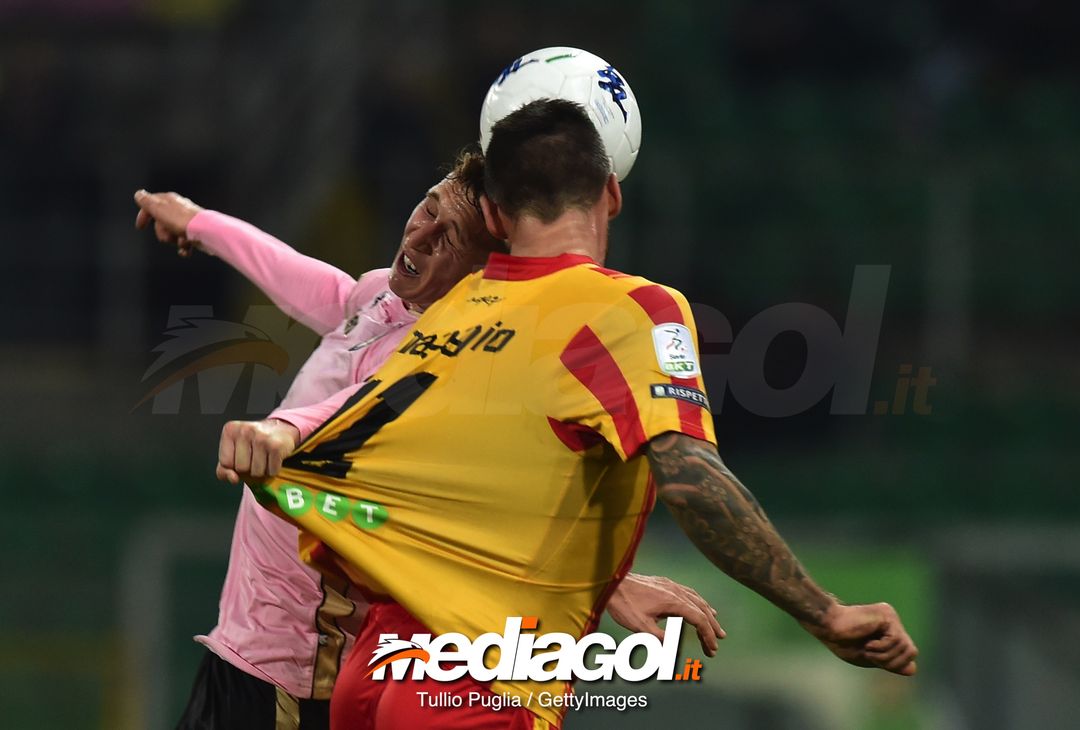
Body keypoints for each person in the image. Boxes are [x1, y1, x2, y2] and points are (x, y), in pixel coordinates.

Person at [222, 100, 918, 730]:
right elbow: (690, 480)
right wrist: (824, 611)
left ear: (492, 216)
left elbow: (417, 490)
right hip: (481, 686)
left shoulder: (452, 314)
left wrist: (276, 433)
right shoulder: (631, 310)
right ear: (611, 194)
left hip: (375, 678)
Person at [134, 149, 724, 730]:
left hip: (299, 664)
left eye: (450, 235)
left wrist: (280, 430)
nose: (420, 237)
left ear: (477, 276)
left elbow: (361, 422)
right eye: (427, 209)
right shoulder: (382, 299)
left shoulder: (440, 369)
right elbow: (316, 283)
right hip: (245, 646)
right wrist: (201, 223)